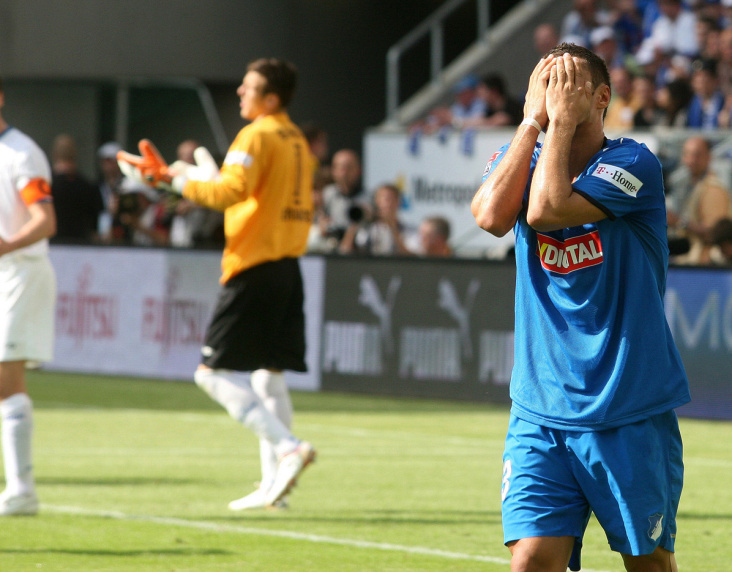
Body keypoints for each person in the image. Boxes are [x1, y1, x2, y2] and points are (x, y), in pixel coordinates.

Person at [471, 44, 690, 571]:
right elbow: (489, 217)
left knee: (649, 565)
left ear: (602, 98)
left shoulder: (633, 161)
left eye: (567, 87)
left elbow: (547, 211)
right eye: (547, 87)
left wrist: (562, 128)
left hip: (626, 408)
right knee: (530, 562)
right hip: (540, 409)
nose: (555, 99)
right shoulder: (522, 157)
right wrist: (530, 124)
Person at [117, 58, 316, 511]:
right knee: (268, 374)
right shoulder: (297, 138)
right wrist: (186, 175)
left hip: (254, 264)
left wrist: (171, 181)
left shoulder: (257, 134)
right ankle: (275, 489)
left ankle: (288, 449)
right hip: (287, 266)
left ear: (270, 98)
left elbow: (230, 192)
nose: (240, 94)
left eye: (248, 88)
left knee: (209, 374)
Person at [0, 74, 57, 516]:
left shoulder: (21, 153)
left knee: (6, 379)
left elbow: (44, 220)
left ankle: (22, 491)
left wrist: (7, 244)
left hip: (21, 271)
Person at [666, 136, 732, 264]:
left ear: (708, 157)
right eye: (687, 154)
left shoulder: (713, 189)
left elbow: (715, 234)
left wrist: (679, 222)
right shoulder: (686, 186)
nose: (691, 160)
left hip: (705, 266)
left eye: (697, 155)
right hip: (689, 259)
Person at [49, 134, 104, 243]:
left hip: (51, 245)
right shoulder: (88, 187)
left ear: (54, 154)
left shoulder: (45, 186)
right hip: (81, 248)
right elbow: (96, 227)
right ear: (75, 154)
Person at [339, 183, 416, 256]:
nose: (387, 204)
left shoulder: (407, 229)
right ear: (376, 201)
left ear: (398, 202)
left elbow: (409, 258)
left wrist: (393, 228)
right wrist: (355, 223)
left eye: (390, 199)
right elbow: (345, 251)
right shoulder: (367, 228)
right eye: (383, 199)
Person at [321, 148, 367, 244]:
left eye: (349, 168)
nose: (345, 173)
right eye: (341, 168)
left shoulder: (367, 197)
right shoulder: (327, 194)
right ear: (333, 170)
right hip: (330, 246)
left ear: (358, 170)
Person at [96, 141, 124, 242]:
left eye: (110, 160)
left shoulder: (127, 186)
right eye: (104, 161)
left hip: (121, 236)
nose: (107, 164)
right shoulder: (97, 186)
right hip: (100, 236)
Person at [686, 57, 725, 128]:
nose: (699, 82)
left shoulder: (723, 102)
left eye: (704, 77)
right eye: (696, 77)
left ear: (714, 80)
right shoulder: (692, 102)